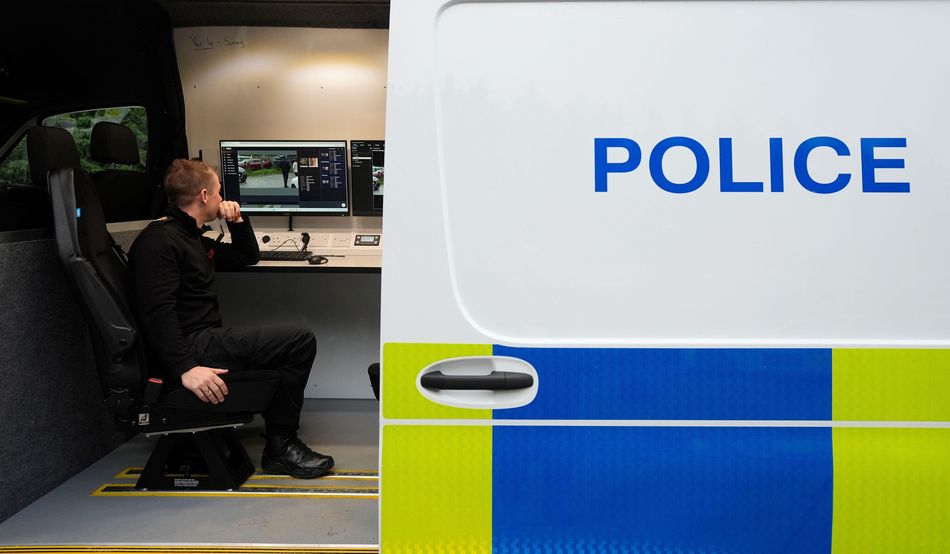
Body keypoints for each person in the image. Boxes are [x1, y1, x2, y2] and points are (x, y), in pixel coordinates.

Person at [128, 158, 334, 479]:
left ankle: (280, 437)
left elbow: (245, 256)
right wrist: (185, 368)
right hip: (192, 348)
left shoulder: (190, 235)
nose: (224, 199)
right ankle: (281, 445)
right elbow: (156, 312)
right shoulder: (159, 242)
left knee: (284, 345)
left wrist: (237, 221)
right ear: (205, 196)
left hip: (202, 339)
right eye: (220, 192)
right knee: (298, 341)